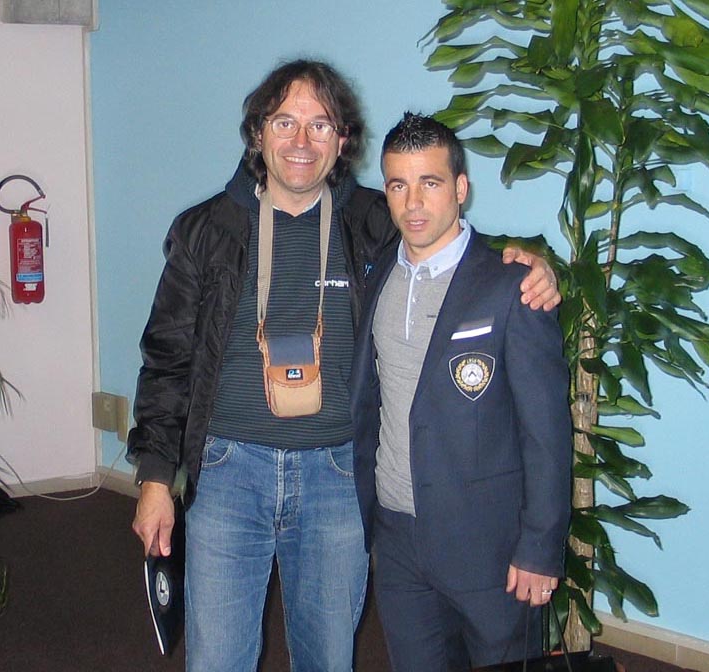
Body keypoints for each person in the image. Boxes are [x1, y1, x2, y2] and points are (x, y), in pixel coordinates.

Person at [128, 61, 560, 672]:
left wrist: (530, 266)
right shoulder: (206, 230)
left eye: (321, 125)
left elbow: (442, 236)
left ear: (342, 140)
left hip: (336, 477)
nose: (301, 141)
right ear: (258, 133)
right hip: (229, 473)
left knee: (328, 658)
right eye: (285, 122)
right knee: (217, 659)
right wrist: (154, 478)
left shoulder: (372, 223)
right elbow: (167, 358)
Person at [350, 112, 572, 672]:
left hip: (490, 545)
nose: (413, 202)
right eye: (398, 185)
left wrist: (540, 546)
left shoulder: (512, 287)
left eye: (430, 182)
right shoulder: (378, 276)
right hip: (398, 536)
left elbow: (546, 432)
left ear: (460, 188)